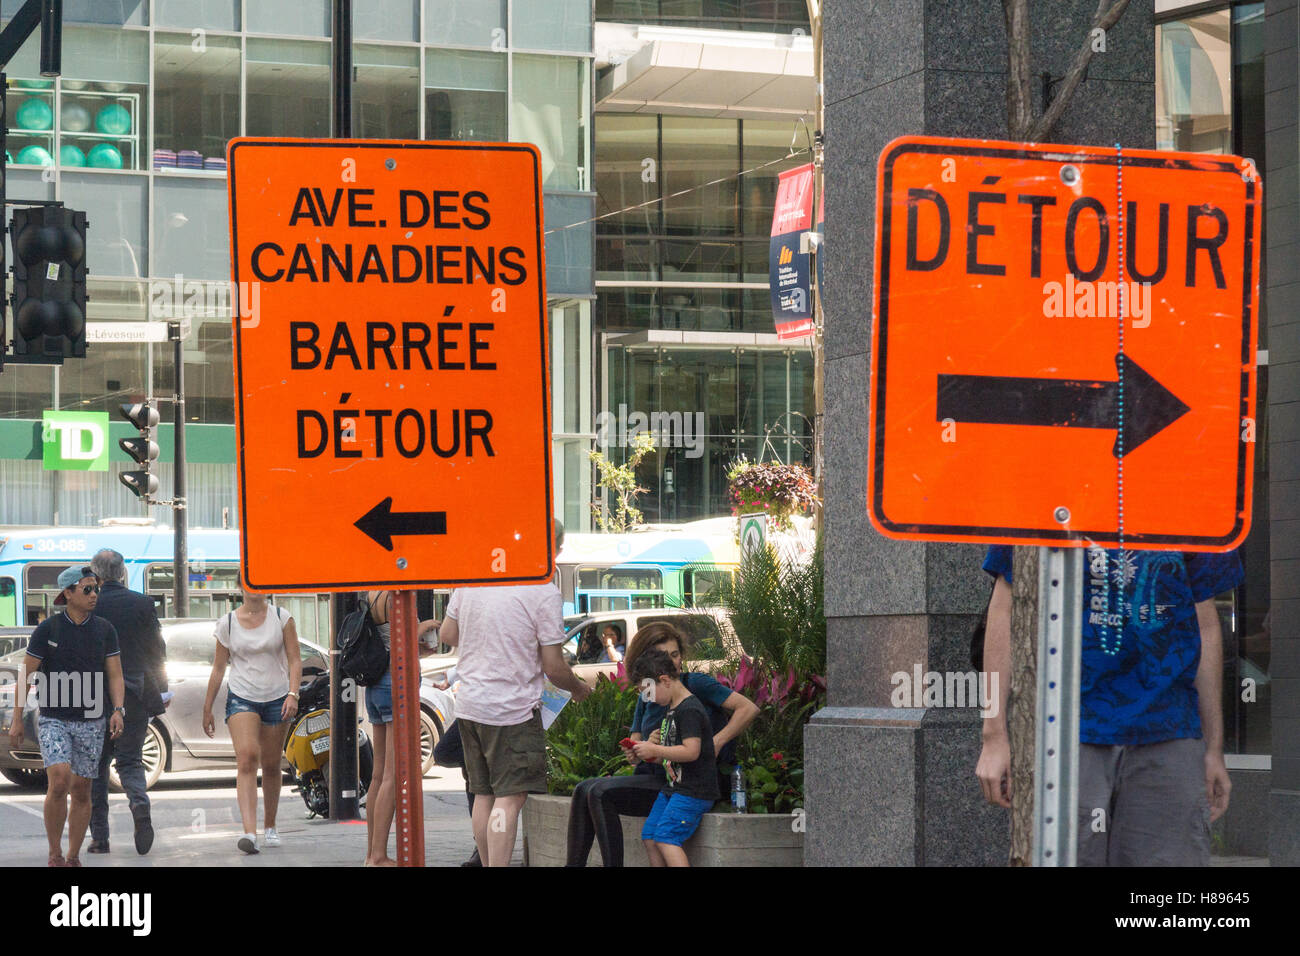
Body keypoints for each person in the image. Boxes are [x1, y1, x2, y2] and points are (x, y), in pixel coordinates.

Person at [975, 545, 1242, 866]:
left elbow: (1205, 622)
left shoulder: (1191, 499)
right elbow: (1003, 611)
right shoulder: (1042, 494)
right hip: (1063, 732)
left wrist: (1213, 748)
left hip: (1170, 733)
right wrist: (993, 734)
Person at [437, 520, 592, 867]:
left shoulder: (476, 576)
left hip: (470, 706)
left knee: (483, 794)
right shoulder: (542, 591)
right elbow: (553, 666)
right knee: (509, 798)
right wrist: (579, 688)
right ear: (551, 549)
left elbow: (447, 633)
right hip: (511, 710)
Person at [564, 621, 758, 867]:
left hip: (683, 780)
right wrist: (638, 749)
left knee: (600, 792)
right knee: (583, 788)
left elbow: (748, 708)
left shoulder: (693, 685)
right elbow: (636, 747)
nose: (671, 662)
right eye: (662, 656)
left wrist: (715, 742)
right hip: (655, 772)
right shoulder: (649, 690)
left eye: (675, 655)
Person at [7, 566, 125, 867]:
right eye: (87, 589)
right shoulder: (48, 630)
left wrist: (118, 710)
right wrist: (18, 717)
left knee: (82, 788)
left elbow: (115, 675)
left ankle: (72, 854)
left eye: (95, 588)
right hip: (53, 718)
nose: (94, 594)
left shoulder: (104, 630)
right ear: (67, 594)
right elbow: (26, 674)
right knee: (59, 781)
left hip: (92, 719)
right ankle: (54, 852)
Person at [202, 586, 302, 854]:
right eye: (250, 583)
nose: (255, 589)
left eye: (261, 584)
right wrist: (207, 706)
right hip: (242, 696)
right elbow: (218, 668)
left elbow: (295, 660)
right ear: (240, 587)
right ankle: (249, 832)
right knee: (246, 757)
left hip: (277, 696)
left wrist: (293, 694)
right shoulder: (228, 623)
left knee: (271, 764)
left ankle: (270, 826)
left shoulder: (282, 617)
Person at [87, 548, 168, 856]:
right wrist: (161, 689)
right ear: (122, 573)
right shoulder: (142, 604)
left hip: (94, 697)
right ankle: (138, 803)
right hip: (135, 693)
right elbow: (155, 650)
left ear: (95, 576)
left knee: (97, 766)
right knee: (130, 761)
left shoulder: (89, 605)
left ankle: (100, 838)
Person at [362, 589, 439, 867]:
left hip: (375, 683)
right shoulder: (396, 594)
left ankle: (371, 854)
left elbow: (390, 641)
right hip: (394, 682)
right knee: (393, 776)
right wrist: (425, 627)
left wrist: (420, 649)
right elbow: (401, 637)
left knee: (378, 775)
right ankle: (379, 855)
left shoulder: (371, 593)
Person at [627, 648, 719, 867]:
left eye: (648, 691)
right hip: (675, 788)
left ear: (664, 680)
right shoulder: (670, 709)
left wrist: (656, 751)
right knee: (650, 836)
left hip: (694, 791)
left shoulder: (689, 710)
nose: (647, 699)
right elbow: (670, 755)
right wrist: (646, 750)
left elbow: (691, 751)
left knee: (667, 837)